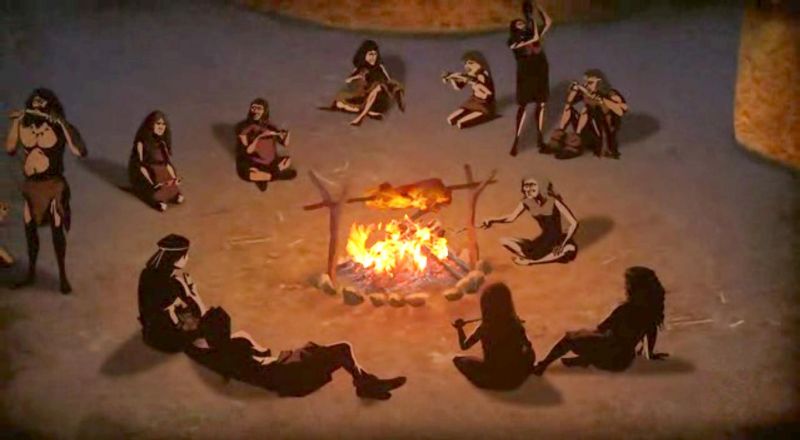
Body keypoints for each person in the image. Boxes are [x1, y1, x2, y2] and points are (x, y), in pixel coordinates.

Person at [186, 301, 407, 400]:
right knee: (342, 349)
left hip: (280, 374)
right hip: (289, 378)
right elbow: (264, 357)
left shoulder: (219, 352)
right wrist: (290, 358)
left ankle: (365, 382)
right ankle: (365, 384)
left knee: (335, 351)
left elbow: (259, 360)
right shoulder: (236, 344)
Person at [5, 88, 88, 294]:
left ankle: (63, 277)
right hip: (31, 187)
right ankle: (31, 273)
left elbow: (79, 151)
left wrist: (61, 122)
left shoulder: (57, 126)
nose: (38, 104)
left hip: (53, 186)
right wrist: (16, 122)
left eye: (42, 102)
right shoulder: (25, 125)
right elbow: (10, 148)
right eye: (35, 101)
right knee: (29, 229)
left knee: (56, 229)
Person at [533, 267, 668, 375]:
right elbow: (651, 334)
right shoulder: (651, 313)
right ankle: (585, 360)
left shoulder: (624, 310)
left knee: (570, 338)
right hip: (624, 360)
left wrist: (582, 334)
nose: (626, 288)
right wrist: (649, 354)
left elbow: (602, 329)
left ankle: (543, 365)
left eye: (628, 285)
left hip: (609, 358)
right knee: (604, 343)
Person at [452, 283, 536, 390]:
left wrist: (459, 328)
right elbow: (528, 346)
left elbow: (464, 346)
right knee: (528, 353)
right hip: (517, 376)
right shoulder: (515, 324)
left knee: (458, 360)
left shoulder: (484, 328)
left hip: (496, 378)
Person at [480, 175, 578, 265]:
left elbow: (574, 223)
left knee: (570, 249)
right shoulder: (526, 202)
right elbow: (511, 217)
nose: (528, 189)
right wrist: (492, 220)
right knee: (504, 241)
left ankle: (531, 262)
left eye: (532, 185)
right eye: (526, 185)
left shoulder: (553, 201)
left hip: (559, 239)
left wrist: (562, 243)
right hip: (543, 240)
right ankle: (535, 257)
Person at [137, 234, 207, 353]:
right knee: (217, 319)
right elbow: (200, 312)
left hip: (149, 333)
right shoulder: (172, 283)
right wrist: (192, 290)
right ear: (176, 259)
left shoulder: (146, 274)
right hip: (168, 341)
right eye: (185, 255)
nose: (187, 258)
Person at [547, 69, 628, 159]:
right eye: (585, 82)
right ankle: (561, 136)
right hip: (587, 129)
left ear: (600, 83)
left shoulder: (611, 93)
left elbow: (622, 109)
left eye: (590, 83)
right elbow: (568, 104)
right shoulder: (587, 92)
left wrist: (601, 100)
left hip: (604, 130)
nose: (586, 85)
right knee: (571, 109)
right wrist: (574, 90)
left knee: (587, 109)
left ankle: (576, 143)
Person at [508, 0, 553, 156]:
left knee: (541, 105)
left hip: (540, 72)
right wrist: (530, 18)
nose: (522, 24)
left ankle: (540, 141)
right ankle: (516, 141)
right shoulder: (512, 41)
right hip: (526, 76)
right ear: (514, 28)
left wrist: (539, 8)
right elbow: (533, 38)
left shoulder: (531, 32)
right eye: (518, 23)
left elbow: (548, 22)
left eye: (522, 23)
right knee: (523, 106)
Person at [325, 40, 405, 126]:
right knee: (340, 103)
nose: (373, 57)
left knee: (377, 87)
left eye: (375, 54)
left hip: (379, 96)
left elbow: (388, 81)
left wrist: (395, 93)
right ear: (364, 55)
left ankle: (360, 118)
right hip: (366, 95)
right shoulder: (361, 68)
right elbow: (348, 80)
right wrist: (357, 77)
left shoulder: (380, 67)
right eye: (370, 54)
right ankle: (368, 111)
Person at [234, 98, 297, 192]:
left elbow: (284, 143)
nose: (255, 111)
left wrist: (286, 135)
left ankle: (265, 177)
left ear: (265, 111)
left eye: (259, 109)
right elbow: (248, 151)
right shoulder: (243, 127)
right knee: (248, 173)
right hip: (252, 162)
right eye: (253, 108)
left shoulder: (270, 126)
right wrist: (259, 137)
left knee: (287, 160)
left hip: (269, 163)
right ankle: (274, 175)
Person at [127, 111, 185, 211]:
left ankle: (172, 194)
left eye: (163, 124)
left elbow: (167, 163)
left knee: (170, 185)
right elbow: (140, 165)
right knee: (155, 190)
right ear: (151, 124)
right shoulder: (141, 143)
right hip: (146, 172)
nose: (161, 127)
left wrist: (174, 178)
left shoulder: (162, 143)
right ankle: (157, 201)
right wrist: (151, 182)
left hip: (161, 171)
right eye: (158, 123)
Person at [441, 51, 496, 129]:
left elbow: (487, 93)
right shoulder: (470, 75)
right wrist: (452, 79)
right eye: (466, 63)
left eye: (471, 63)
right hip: (473, 100)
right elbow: (458, 87)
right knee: (450, 119)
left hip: (485, 103)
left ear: (480, 63)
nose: (467, 66)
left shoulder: (483, 75)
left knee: (461, 123)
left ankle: (483, 114)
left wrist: (462, 78)